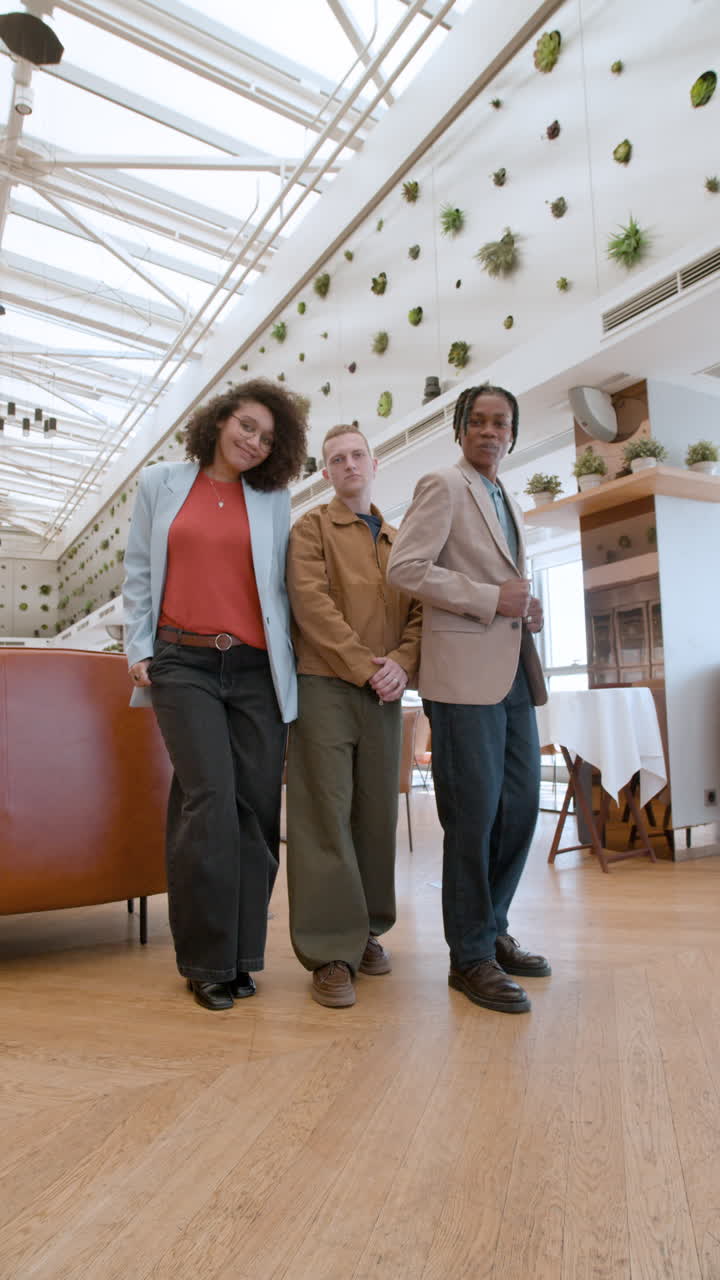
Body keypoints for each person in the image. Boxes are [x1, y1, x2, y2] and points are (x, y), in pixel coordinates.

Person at [123, 379, 306, 1010]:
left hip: (256, 669)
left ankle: (241, 955)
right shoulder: (161, 483)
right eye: (246, 426)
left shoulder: (273, 497)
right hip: (183, 662)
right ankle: (204, 960)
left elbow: (284, 588)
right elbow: (139, 571)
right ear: (220, 420)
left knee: (256, 807)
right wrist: (139, 649)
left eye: (267, 437)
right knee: (208, 800)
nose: (254, 442)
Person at [387, 383, 549, 1014]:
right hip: (460, 681)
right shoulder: (442, 484)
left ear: (511, 434)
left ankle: (494, 928)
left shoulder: (506, 492)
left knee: (521, 806)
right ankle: (470, 957)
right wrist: (490, 600)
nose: (489, 432)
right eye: (477, 422)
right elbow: (405, 569)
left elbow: (503, 581)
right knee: (473, 816)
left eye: (500, 424)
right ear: (460, 431)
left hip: (511, 673)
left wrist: (523, 610)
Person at [286, 424, 422, 1008]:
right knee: (324, 817)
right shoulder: (310, 528)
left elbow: (422, 614)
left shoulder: (400, 538)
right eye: (335, 459)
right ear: (325, 472)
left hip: (384, 693)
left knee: (373, 816)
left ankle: (366, 930)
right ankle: (327, 952)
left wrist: (401, 664)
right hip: (324, 685)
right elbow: (310, 604)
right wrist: (365, 665)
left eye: (356, 455)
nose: (347, 464)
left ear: (374, 462)